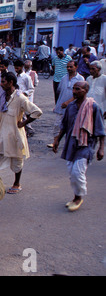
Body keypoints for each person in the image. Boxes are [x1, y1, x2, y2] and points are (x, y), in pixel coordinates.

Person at [52, 81, 105, 211]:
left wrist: (101, 148)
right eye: (74, 89)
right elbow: (64, 125)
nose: (74, 92)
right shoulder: (70, 107)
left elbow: (100, 129)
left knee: (77, 172)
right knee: (72, 171)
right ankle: (76, 194)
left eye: (78, 89)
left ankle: (78, 197)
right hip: (71, 143)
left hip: (86, 144)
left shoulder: (93, 107)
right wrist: (57, 140)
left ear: (85, 90)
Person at [0, 73, 42, 194]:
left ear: (11, 83)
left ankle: (17, 183)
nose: (2, 84)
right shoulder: (3, 96)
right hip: (1, 132)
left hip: (14, 134)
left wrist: (23, 123)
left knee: (17, 160)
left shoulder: (20, 98)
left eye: (4, 82)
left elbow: (36, 112)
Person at [51, 60, 85, 147]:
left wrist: (69, 102)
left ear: (76, 67)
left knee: (72, 126)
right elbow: (59, 91)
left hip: (74, 107)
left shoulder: (80, 79)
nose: (69, 69)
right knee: (57, 125)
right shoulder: (64, 78)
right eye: (68, 67)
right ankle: (55, 142)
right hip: (61, 107)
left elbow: (80, 95)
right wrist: (58, 104)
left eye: (71, 67)